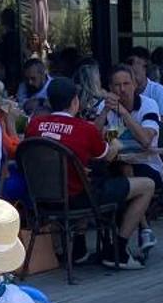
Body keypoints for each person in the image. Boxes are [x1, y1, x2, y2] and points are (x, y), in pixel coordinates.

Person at [25, 77, 155, 269]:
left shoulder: (34, 126)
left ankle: (79, 248)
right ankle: (118, 249)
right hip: (79, 198)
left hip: (42, 199)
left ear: (51, 102)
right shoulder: (83, 129)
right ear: (75, 101)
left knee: (85, 177)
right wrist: (115, 144)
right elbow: (108, 156)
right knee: (146, 185)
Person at [124, 51, 163, 127]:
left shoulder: (157, 92)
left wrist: (141, 127)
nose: (132, 78)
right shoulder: (119, 96)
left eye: (135, 73)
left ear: (145, 70)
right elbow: (111, 132)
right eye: (129, 75)